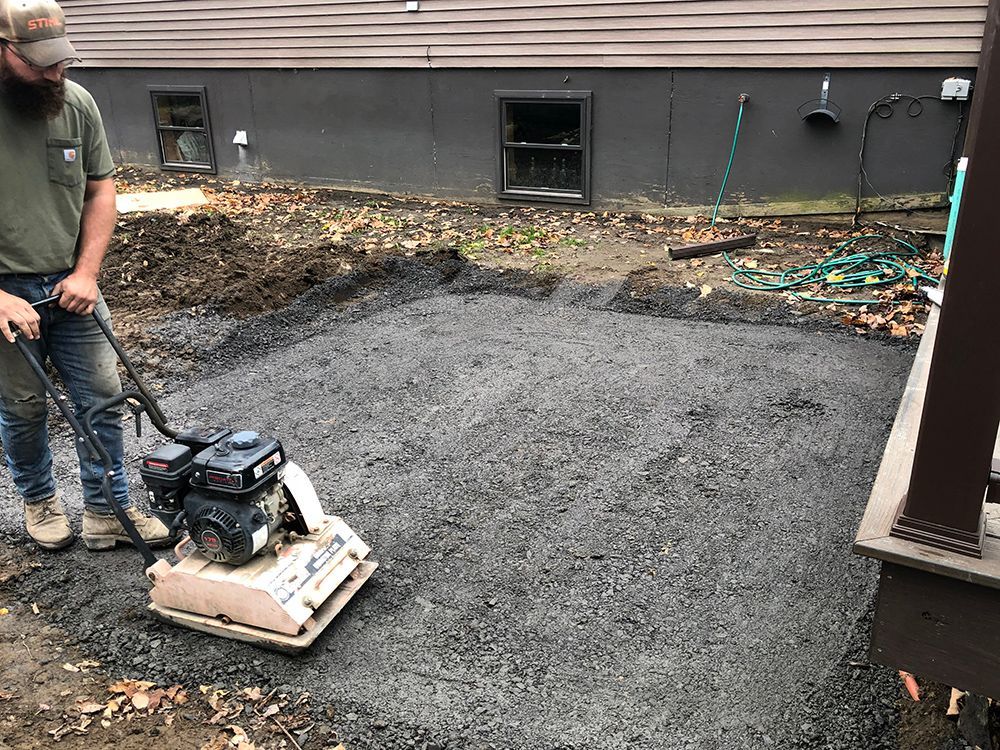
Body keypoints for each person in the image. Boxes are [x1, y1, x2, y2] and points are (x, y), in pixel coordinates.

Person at [0, 0, 170, 551]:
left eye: (60, 60)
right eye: (39, 63)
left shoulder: (75, 103)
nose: (54, 73)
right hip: (5, 294)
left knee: (103, 398)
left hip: (72, 286)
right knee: (24, 409)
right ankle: (40, 499)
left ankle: (107, 510)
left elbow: (100, 190)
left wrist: (87, 272)